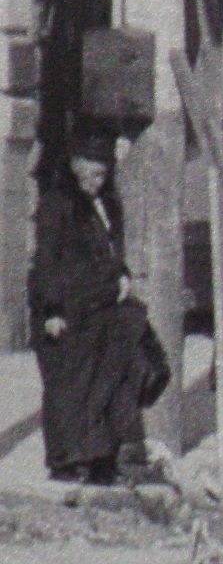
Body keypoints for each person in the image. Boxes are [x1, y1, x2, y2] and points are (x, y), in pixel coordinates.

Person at [28, 134, 155, 484]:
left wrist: (123, 275)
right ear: (74, 168)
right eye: (89, 174)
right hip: (66, 310)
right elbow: (46, 260)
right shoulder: (57, 204)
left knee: (104, 385)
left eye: (101, 175)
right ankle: (64, 462)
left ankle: (100, 459)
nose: (95, 182)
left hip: (100, 307)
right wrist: (51, 309)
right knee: (67, 387)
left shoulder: (107, 204)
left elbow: (112, 251)